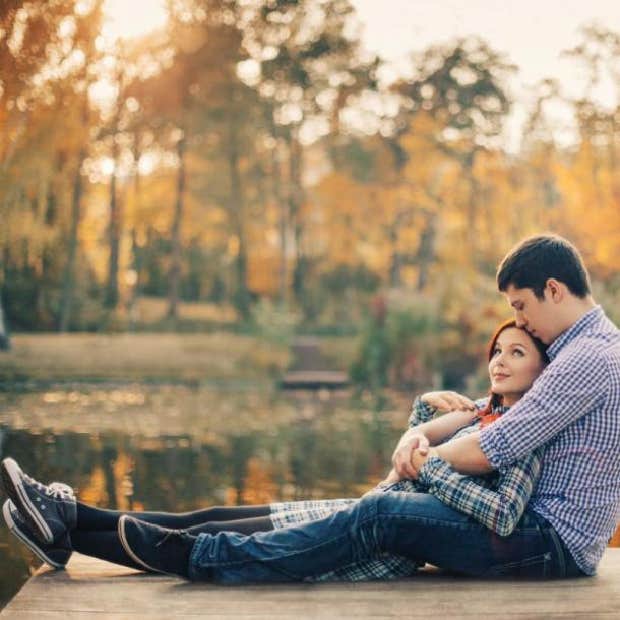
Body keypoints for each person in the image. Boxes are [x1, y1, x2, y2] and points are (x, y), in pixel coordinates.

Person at [5, 233, 620, 583]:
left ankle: (198, 558)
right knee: (248, 510)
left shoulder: (587, 357)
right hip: (520, 531)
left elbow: (497, 447)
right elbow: (489, 424)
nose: (517, 321)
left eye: (520, 306)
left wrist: (420, 452)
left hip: (546, 542)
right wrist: (424, 432)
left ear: (554, 290)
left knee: (378, 514)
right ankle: (70, 519)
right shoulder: (569, 350)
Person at [2, 319, 549, 580]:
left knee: (205, 537)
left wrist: (432, 467)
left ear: (542, 372)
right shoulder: (481, 411)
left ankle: (67, 527)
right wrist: (423, 415)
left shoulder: (524, 432)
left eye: (517, 353)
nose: (499, 360)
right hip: (358, 511)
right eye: (497, 349)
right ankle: (67, 520)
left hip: (375, 547)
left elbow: (501, 513)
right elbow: (404, 468)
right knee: (211, 515)